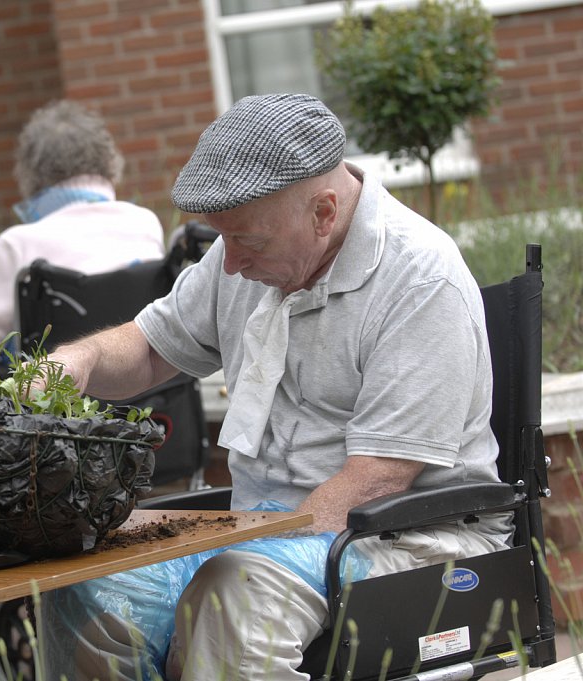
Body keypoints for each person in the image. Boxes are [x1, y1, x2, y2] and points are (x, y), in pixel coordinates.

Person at [38, 93, 512, 680]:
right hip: (268, 532)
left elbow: (377, 479)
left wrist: (236, 547)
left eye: (248, 242)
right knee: (87, 589)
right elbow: (149, 348)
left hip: (412, 539)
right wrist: (74, 361)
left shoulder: (420, 279)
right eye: (223, 238)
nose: (229, 262)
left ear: (324, 212)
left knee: (232, 589)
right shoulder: (242, 254)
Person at [0, 99, 166, 378]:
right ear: (110, 162)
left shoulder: (20, 245)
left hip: (59, 415)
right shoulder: (144, 223)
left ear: (28, 173)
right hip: (154, 407)